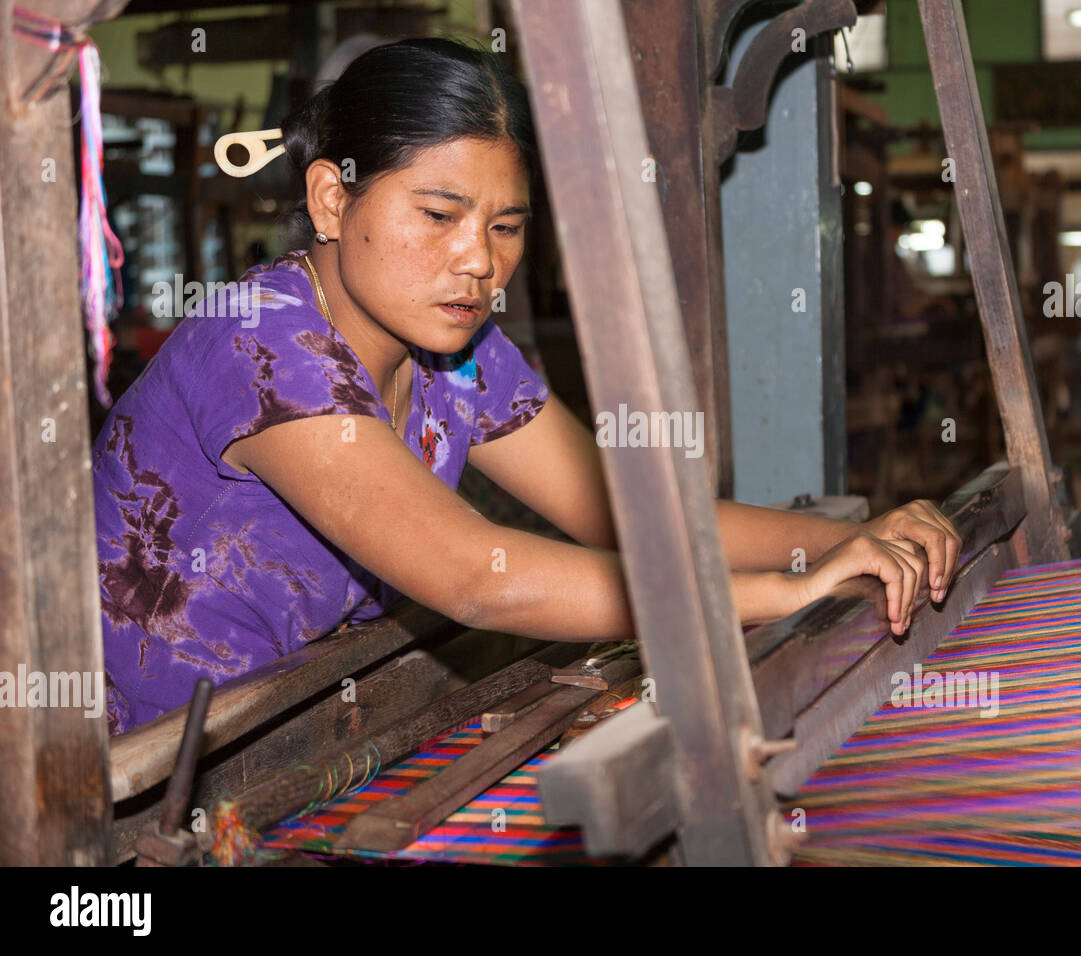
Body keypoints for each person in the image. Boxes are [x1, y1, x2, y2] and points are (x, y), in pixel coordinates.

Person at [93, 38, 962, 735]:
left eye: (505, 226)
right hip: (149, 773)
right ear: (330, 200)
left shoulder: (457, 353)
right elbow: (475, 576)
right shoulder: (260, 344)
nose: (478, 260)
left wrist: (839, 543)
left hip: (296, 725)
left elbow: (620, 510)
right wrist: (782, 596)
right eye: (438, 215)